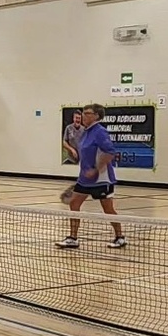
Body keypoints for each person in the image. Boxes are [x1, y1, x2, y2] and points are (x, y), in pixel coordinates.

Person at [56, 103, 126, 249]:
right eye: (83, 112)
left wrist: (96, 170)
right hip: (84, 179)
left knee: (108, 210)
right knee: (74, 204)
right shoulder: (85, 132)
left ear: (96, 116)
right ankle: (72, 238)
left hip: (101, 179)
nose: (83, 115)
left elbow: (110, 153)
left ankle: (120, 237)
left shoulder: (100, 132)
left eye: (87, 113)